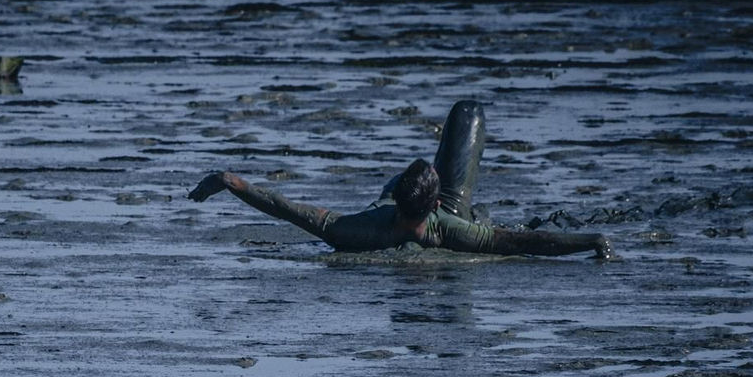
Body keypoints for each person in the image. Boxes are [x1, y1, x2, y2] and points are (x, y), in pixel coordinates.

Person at [188, 100, 614, 259]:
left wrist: (231, 180)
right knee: (463, 121)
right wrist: (233, 183)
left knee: (467, 114)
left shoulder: (438, 226)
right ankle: (415, 180)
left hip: (418, 193)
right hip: (415, 193)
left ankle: (418, 177)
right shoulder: (378, 229)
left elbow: (520, 242)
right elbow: (290, 211)